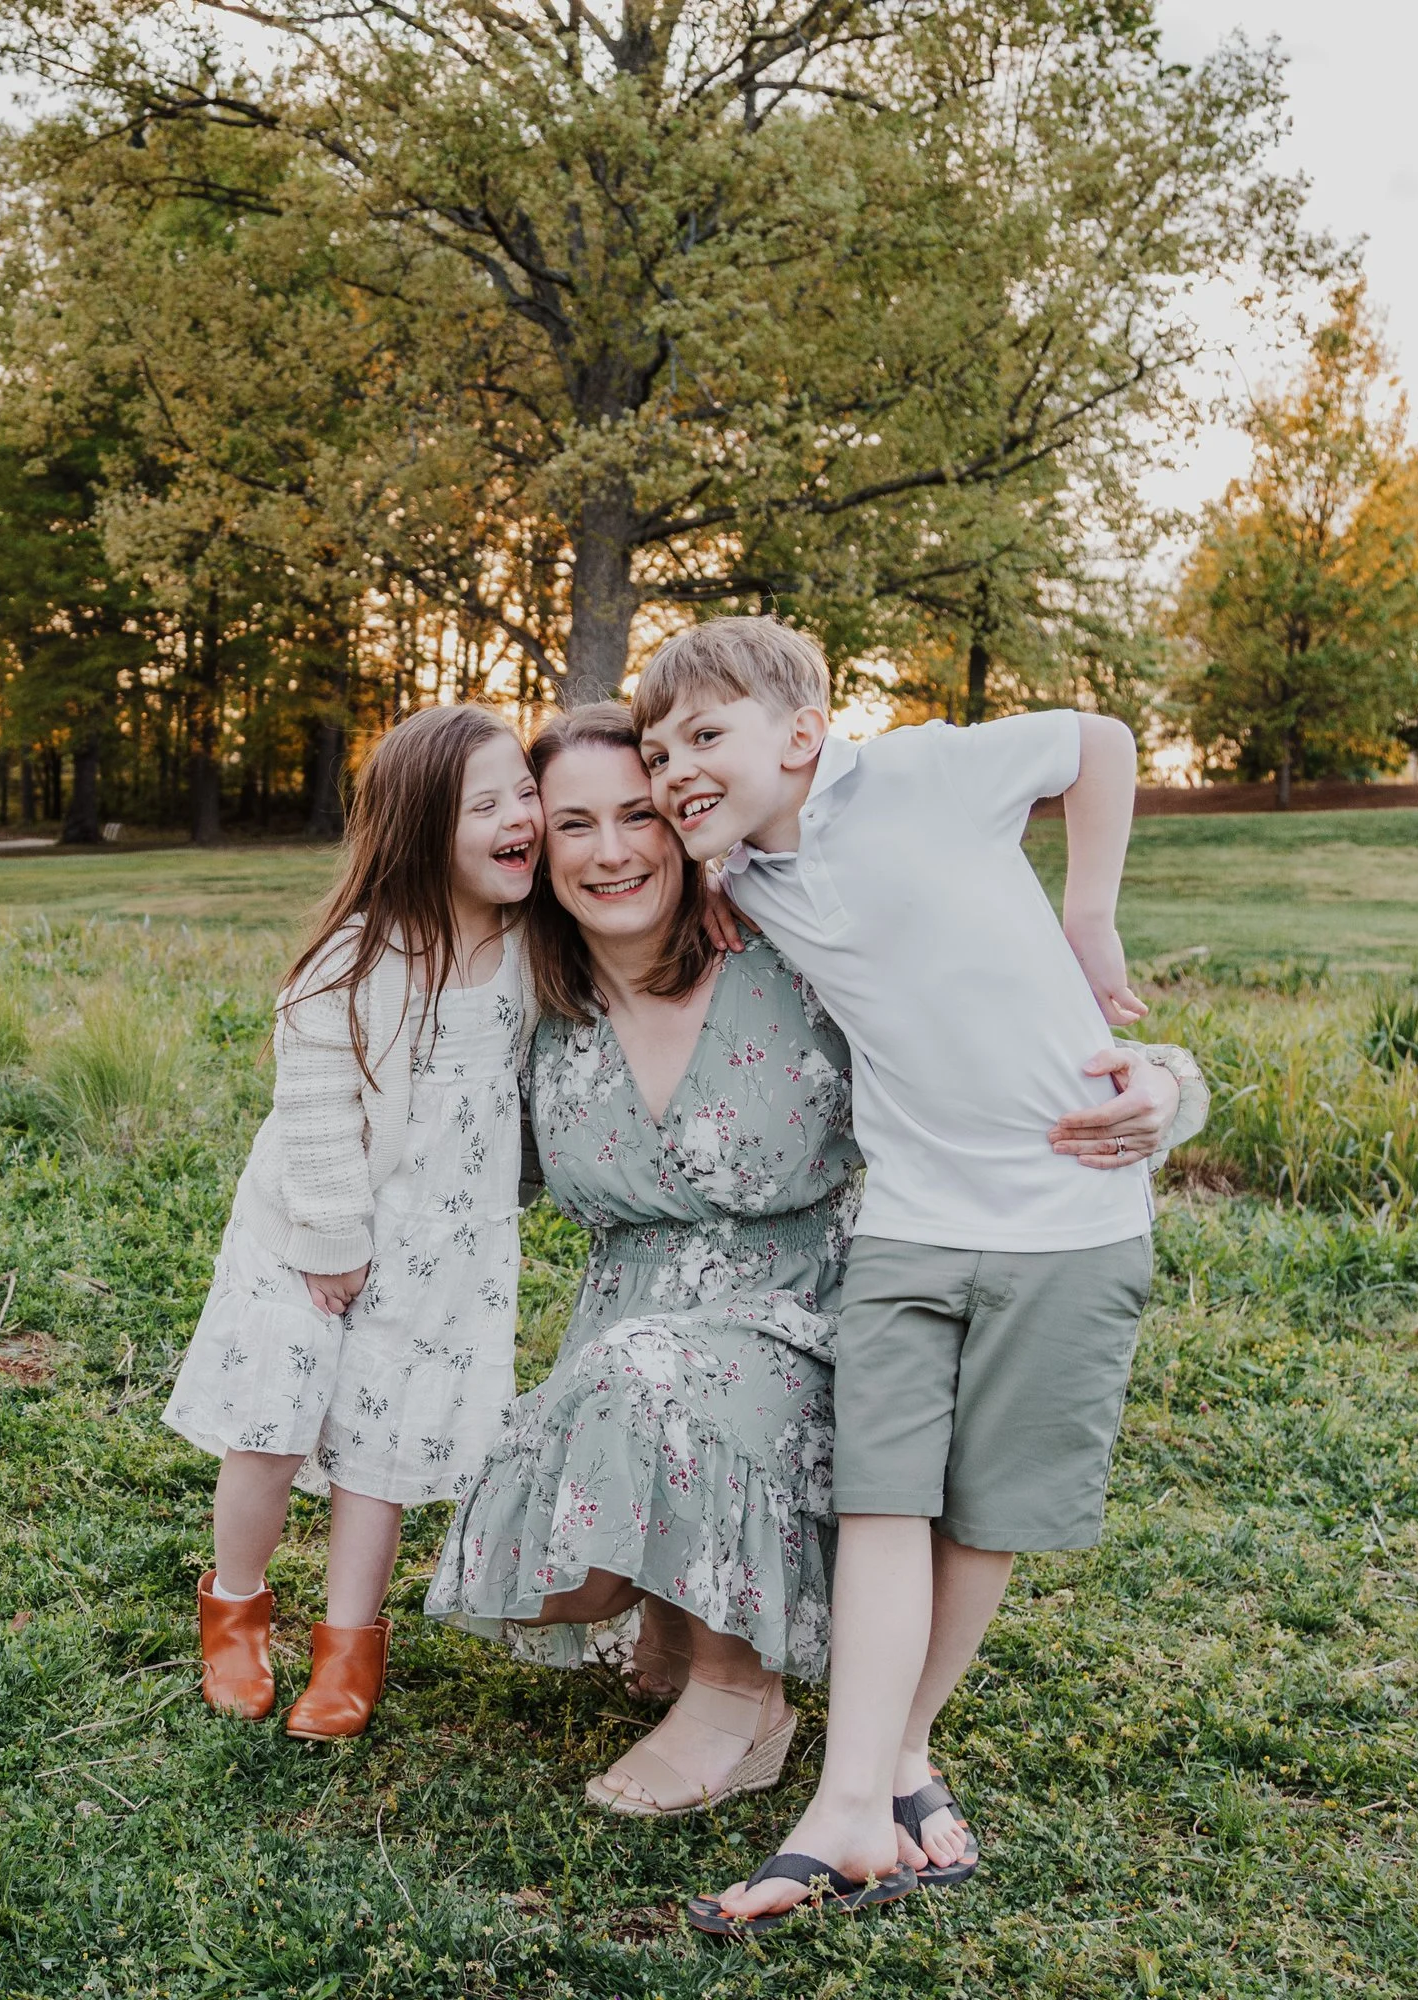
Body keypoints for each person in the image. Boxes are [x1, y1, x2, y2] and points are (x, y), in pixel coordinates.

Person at [427, 702, 1206, 1820]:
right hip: (623, 1341)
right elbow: (436, 1148)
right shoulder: (534, 1003)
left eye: (640, 814)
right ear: (534, 848)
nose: (611, 852)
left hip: (809, 1325)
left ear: (685, 823)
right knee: (580, 1519)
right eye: (573, 824)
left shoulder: (787, 948)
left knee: (651, 1371)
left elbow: (1000, 1032)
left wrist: (1166, 1086)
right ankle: (669, 1603)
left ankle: (741, 1699)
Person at [633, 617, 1200, 1933]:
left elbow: (1102, 744)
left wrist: (1092, 918)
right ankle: (848, 1810)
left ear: (804, 733)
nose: (676, 772)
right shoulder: (744, 883)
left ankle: (897, 1755)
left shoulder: (922, 774)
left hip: (1074, 1217)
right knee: (884, 1499)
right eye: (662, 754)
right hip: (912, 1226)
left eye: (704, 737)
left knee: (986, 1515)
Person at [163, 704, 542, 1740]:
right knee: (272, 1418)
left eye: (525, 791)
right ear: (423, 829)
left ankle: (346, 1645)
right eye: (487, 803)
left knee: (381, 1433)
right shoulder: (360, 954)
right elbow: (316, 1102)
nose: (521, 815)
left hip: (443, 1243)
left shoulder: (528, 943)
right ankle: (235, 1607)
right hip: (308, 1236)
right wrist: (331, 1239)